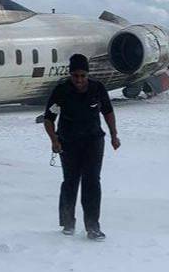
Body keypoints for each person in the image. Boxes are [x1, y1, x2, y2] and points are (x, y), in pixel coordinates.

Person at [43, 54, 120, 240]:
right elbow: (48, 118)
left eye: (82, 76)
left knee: (92, 181)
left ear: (88, 74)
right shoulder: (61, 90)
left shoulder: (97, 88)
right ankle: (68, 222)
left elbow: (108, 112)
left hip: (93, 141)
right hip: (68, 142)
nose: (79, 80)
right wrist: (54, 140)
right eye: (75, 76)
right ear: (70, 74)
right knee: (70, 181)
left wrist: (114, 135)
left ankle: (93, 226)